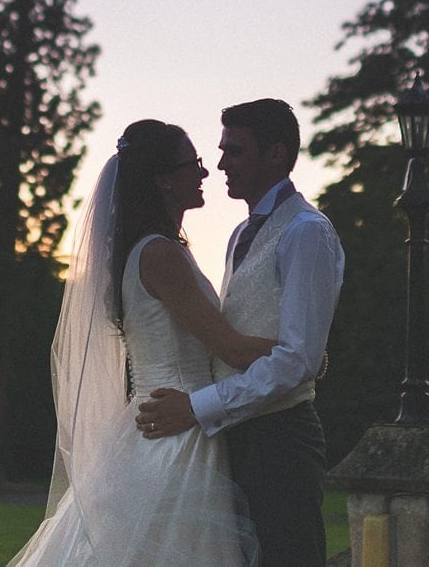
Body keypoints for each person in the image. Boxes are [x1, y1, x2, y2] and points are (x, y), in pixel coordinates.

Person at [8, 119, 268, 567]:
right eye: (194, 164)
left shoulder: (154, 250)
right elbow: (231, 348)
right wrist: (306, 351)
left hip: (163, 420)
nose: (204, 173)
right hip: (175, 430)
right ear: (163, 180)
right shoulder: (159, 254)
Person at [136, 98, 345, 567]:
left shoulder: (308, 232)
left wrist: (197, 406)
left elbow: (296, 362)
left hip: (281, 440)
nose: (220, 165)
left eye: (234, 151)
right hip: (232, 437)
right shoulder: (238, 235)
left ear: (275, 154)